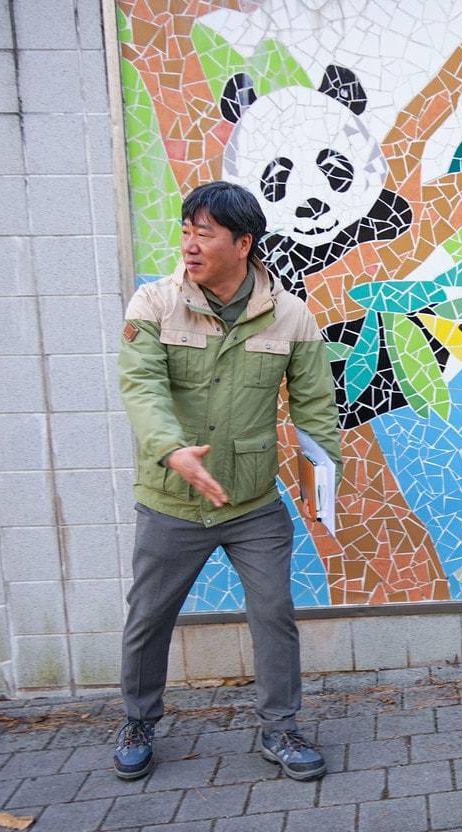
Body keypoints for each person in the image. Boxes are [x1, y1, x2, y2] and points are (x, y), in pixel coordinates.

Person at [115, 181, 340, 782]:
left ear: (243, 243)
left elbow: (315, 406)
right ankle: (139, 719)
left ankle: (280, 728)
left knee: (273, 611)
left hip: (252, 501)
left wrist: (323, 482)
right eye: (186, 230)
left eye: (204, 232)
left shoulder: (290, 315)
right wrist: (171, 450)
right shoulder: (154, 304)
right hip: (171, 500)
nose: (189, 244)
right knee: (149, 616)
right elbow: (142, 387)